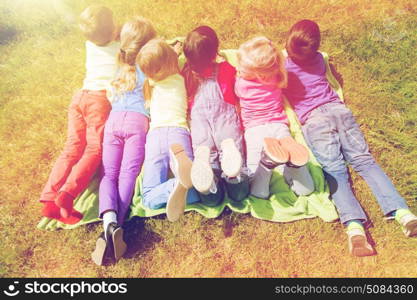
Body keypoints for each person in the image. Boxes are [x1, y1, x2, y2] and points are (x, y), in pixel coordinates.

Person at [284, 19, 417, 256]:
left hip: (315, 121)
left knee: (334, 171)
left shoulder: (283, 67)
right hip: (339, 112)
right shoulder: (319, 60)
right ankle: (404, 215)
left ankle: (355, 229)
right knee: (365, 161)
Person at [40, 5, 119, 224]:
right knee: (95, 149)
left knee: (72, 148)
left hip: (79, 98)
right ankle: (67, 195)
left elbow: (104, 34)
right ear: (113, 30)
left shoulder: (90, 44)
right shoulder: (120, 48)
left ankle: (49, 198)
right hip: (98, 101)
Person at [91, 17, 156, 266]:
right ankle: (119, 222)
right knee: (128, 174)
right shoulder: (150, 67)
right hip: (137, 123)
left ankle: (108, 222)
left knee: (109, 174)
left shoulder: (118, 65)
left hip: (114, 122)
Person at [235, 36, 314, 199]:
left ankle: (266, 164)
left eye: (242, 68)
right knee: (306, 190)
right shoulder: (277, 76)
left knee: (255, 180)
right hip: (279, 125)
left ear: (259, 74)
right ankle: (295, 166)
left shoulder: (241, 84)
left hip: (255, 129)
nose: (239, 69)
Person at [182, 25, 249, 206]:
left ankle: (209, 187)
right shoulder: (226, 69)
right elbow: (236, 89)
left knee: (204, 152)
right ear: (215, 52)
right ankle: (235, 179)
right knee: (231, 145)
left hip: (199, 120)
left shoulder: (186, 74)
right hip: (224, 116)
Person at [139, 39, 200, 222]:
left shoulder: (150, 83)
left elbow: (159, 60)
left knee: (148, 197)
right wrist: (176, 51)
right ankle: (185, 184)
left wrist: (171, 52)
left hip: (155, 135)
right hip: (178, 132)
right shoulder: (181, 78)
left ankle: (173, 185)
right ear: (172, 61)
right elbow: (168, 58)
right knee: (197, 188)